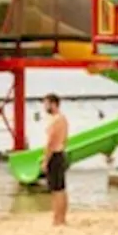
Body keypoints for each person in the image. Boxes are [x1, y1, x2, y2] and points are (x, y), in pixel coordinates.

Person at [41, 93, 69, 225]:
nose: (44, 107)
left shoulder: (55, 120)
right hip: (61, 152)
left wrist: (45, 160)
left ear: (53, 104)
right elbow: (65, 139)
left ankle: (57, 218)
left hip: (55, 155)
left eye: (46, 104)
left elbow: (50, 142)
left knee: (55, 190)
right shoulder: (63, 119)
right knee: (61, 188)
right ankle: (61, 218)